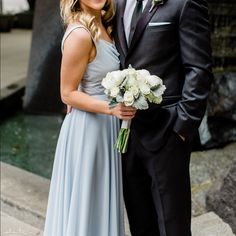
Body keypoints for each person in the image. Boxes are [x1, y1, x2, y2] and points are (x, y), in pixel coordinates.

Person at [113, 0, 213, 235]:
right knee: (140, 223)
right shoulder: (115, 4)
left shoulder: (185, 3)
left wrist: (182, 127)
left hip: (167, 131)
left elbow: (199, 69)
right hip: (125, 133)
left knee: (172, 225)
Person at [43, 0, 136, 235]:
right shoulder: (80, 34)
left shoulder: (104, 25)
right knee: (87, 199)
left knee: (98, 196)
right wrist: (111, 109)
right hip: (89, 130)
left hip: (105, 127)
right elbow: (67, 93)